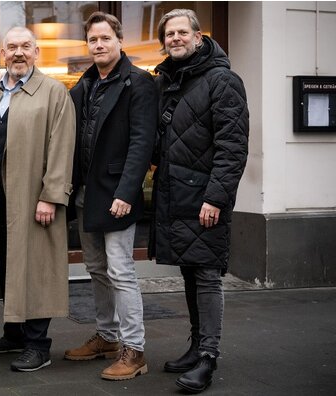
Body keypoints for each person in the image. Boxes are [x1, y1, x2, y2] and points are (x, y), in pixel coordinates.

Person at [149, 8, 249, 394]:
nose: (174, 38)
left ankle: (208, 356)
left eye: (180, 32)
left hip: (204, 198)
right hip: (176, 193)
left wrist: (216, 198)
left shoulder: (222, 80)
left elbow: (232, 147)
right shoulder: (169, 80)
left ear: (197, 35)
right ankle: (195, 347)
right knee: (190, 271)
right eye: (168, 34)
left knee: (206, 274)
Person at [0, 26, 76, 372]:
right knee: (7, 265)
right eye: (12, 47)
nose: (18, 53)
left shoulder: (53, 92)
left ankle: (38, 344)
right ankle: (13, 333)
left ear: (36, 52)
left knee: (36, 270)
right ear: (3, 54)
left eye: (25, 47)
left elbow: (61, 148)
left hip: (34, 199)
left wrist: (51, 196)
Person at [63, 12, 157, 381]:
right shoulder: (84, 84)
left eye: (105, 38)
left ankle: (134, 350)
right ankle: (106, 335)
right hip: (87, 191)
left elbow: (142, 142)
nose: (98, 45)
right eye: (93, 40)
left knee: (121, 271)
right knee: (96, 269)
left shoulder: (139, 82)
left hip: (118, 193)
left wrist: (128, 192)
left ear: (120, 41)